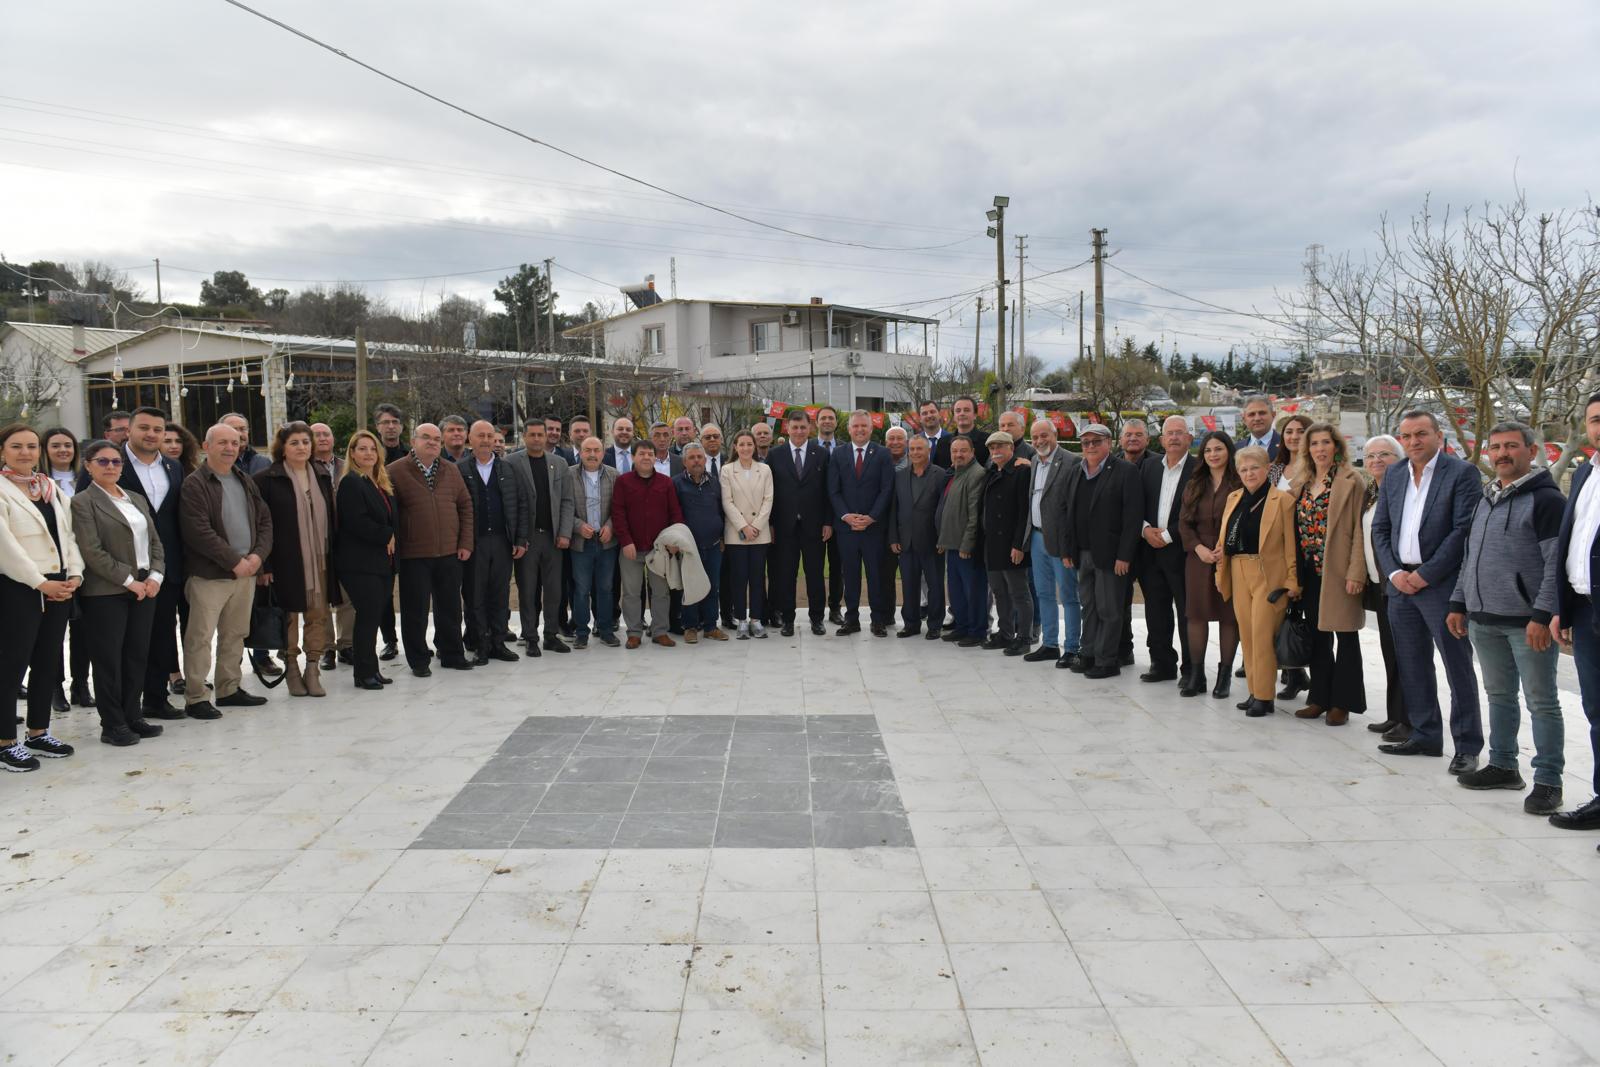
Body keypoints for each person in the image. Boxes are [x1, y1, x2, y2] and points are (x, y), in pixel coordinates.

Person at [1443, 422, 1564, 813]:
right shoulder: (1486, 497)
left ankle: (1548, 780)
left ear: (1532, 451)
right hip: (1483, 618)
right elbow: (1470, 557)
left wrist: (1542, 614)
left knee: (1541, 702)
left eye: (1511, 446)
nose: (1502, 454)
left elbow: (1553, 565)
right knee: (1499, 696)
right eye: (1495, 447)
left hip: (1527, 622)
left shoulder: (1547, 501)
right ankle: (1503, 764)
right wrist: (1459, 603)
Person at [1371, 410, 1483, 770]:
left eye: (1421, 434)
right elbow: (1381, 529)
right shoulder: (1395, 474)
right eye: (1406, 436)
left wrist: (1426, 575)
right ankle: (1425, 734)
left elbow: (1463, 530)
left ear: (1438, 435)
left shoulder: (1462, 473)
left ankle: (1467, 746)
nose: (1414, 442)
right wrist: (1393, 573)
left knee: (1457, 666)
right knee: (1412, 664)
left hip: (1441, 586)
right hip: (1400, 586)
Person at [71, 439, 166, 744]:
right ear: (88, 465)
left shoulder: (135, 498)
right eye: (102, 461)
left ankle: (133, 716)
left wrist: (154, 576)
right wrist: (129, 581)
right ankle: (112, 724)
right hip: (106, 592)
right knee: (108, 660)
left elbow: (155, 542)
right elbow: (92, 551)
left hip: (144, 587)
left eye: (116, 462)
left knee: (136, 655)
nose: (111, 466)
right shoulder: (82, 503)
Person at [0, 424, 83, 770]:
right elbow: (5, 547)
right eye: (16, 446)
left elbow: (69, 536)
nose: (25, 453)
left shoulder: (48, 489)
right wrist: (39, 582)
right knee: (11, 665)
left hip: (59, 586)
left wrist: (75, 573)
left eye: (32, 446)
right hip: (19, 588)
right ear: (3, 450)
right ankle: (5, 742)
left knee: (47, 661)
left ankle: (38, 732)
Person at [179, 422, 272, 718]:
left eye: (235, 443)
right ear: (206, 447)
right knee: (201, 637)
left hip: (246, 573)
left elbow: (264, 521)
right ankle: (196, 697)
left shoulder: (244, 479)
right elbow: (198, 531)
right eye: (223, 442)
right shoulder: (195, 484)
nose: (230, 448)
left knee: (235, 634)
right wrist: (235, 561)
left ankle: (229, 689)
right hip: (211, 575)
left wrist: (258, 557)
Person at [1289, 423, 1369, 725]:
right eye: (1314, 443)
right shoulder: (1302, 482)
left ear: (1336, 446)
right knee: (1319, 637)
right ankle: (1319, 697)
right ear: (1307, 449)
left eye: (1326, 442)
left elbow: (1361, 532)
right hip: (1309, 572)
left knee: (1346, 636)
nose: (1320, 448)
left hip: (1339, 571)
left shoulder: (1352, 481)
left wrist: (1356, 572)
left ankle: (1343, 703)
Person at [254, 422, 340, 698]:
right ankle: (291, 666)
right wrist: (264, 565)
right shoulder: (266, 479)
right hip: (285, 561)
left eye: (305, 442)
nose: (301, 447)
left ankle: (312, 668)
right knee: (288, 617)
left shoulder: (323, 476)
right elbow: (260, 526)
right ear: (283, 448)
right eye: (295, 443)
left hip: (321, 560)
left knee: (318, 616)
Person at [1549, 392, 1600, 839]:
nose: (1599, 427)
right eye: (1595, 420)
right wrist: (1560, 608)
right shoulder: (1585, 472)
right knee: (1596, 709)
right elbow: (1572, 545)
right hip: (1584, 610)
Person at [1215, 446, 1298, 717]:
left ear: (1266, 470)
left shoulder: (1282, 500)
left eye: (1254, 468)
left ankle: (1265, 696)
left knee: (1262, 635)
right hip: (1238, 570)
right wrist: (1220, 570)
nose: (1249, 473)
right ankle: (1254, 691)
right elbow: (1223, 537)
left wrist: (1292, 579)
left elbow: (1291, 546)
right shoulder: (1234, 497)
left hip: (1268, 574)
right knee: (1248, 635)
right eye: (1244, 469)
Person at [387, 423, 475, 677]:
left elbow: (465, 506)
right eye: (426, 438)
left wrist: (465, 543)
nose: (432, 442)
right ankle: (418, 660)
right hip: (414, 554)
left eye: (437, 439)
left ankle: (452, 654)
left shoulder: (451, 470)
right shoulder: (395, 471)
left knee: (449, 608)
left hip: (449, 552)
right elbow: (387, 513)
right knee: (415, 611)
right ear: (413, 441)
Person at [1058, 423, 1142, 678]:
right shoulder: (1076, 471)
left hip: (1111, 556)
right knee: (1089, 606)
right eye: (1086, 443)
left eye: (1096, 441)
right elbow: (1067, 513)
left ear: (1108, 443)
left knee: (1109, 609)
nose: (1091, 447)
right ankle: (1089, 654)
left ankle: (1107, 661)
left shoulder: (1125, 471)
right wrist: (1067, 549)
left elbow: (1133, 517)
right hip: (1082, 553)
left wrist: (1124, 556)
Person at [123, 407, 189, 719]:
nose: (151, 434)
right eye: (144, 428)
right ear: (129, 431)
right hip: (125, 568)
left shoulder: (174, 468)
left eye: (157, 429)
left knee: (163, 633)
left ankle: (155, 699)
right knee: (130, 641)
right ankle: (125, 706)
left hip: (167, 566)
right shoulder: (110, 463)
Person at [458, 420, 529, 665]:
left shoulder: (508, 469)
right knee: (474, 595)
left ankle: (498, 642)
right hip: (474, 543)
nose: (486, 440)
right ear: (470, 439)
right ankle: (480, 644)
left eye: (490, 435)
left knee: (500, 594)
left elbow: (521, 505)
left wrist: (520, 539)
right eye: (480, 435)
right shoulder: (460, 469)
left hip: (502, 541)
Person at [1179, 430, 1242, 698]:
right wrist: (1199, 548)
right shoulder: (1195, 483)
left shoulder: (1240, 481)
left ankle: (1224, 675)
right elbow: (1184, 522)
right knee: (1197, 614)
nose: (1213, 454)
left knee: (1229, 616)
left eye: (1218, 449)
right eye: (1207, 450)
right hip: (1199, 557)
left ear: (1229, 451)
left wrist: (1227, 547)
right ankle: (1196, 675)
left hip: (1233, 556)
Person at [505, 417, 573, 656]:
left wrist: (565, 533)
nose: (536, 439)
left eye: (539, 435)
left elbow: (567, 500)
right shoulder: (511, 462)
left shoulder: (560, 463)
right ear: (524, 436)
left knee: (554, 590)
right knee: (527, 589)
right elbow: (510, 502)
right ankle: (530, 636)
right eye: (531, 434)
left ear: (546, 437)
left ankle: (551, 635)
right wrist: (517, 538)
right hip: (527, 538)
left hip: (553, 538)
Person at [335, 430, 396, 690]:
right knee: (367, 616)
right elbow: (356, 522)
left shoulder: (378, 481)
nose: (368, 453)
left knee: (373, 615)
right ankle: (363, 673)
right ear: (352, 453)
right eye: (362, 449)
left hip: (380, 562)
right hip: (359, 564)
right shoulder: (351, 482)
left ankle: (371, 669)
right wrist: (387, 536)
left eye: (372, 448)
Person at [1137, 416, 1196, 683]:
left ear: (1189, 439)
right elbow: (1134, 504)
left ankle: (1190, 669)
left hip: (1182, 553)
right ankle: (1162, 664)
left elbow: (1198, 511)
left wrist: (1170, 535)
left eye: (1179, 433)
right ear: (1161, 440)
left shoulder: (1199, 469)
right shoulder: (1147, 466)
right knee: (1156, 611)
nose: (1173, 437)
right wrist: (1145, 529)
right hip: (1150, 551)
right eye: (1169, 433)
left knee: (1187, 613)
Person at [828, 410, 895, 636]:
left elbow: (887, 489)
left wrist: (872, 517)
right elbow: (833, 490)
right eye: (855, 426)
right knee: (850, 575)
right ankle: (852, 619)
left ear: (871, 428)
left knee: (876, 575)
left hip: (874, 528)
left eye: (863, 426)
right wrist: (846, 516)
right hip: (846, 528)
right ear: (848, 429)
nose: (859, 430)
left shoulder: (883, 454)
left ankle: (878, 620)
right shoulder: (838, 454)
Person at [767, 408, 831, 637]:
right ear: (787, 428)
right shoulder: (775, 455)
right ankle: (787, 620)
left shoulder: (821, 454)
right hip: (784, 527)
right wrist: (771, 524)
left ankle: (817, 619)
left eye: (803, 427)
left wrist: (827, 522)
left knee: (815, 574)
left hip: (814, 526)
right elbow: (770, 493)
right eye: (794, 427)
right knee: (786, 575)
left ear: (810, 428)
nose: (799, 431)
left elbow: (827, 492)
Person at [613, 439, 682, 647]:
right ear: (633, 457)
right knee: (632, 592)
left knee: (661, 592)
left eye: (649, 454)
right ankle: (634, 633)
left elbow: (675, 513)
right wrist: (626, 541)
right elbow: (618, 513)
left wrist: (674, 540)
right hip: (631, 548)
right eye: (641, 454)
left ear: (655, 457)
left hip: (659, 549)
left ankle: (660, 631)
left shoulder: (665, 482)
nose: (646, 457)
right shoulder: (623, 482)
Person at [41, 427, 90, 712]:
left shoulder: (85, 477)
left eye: (68, 445)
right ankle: (54, 686)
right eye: (56, 445)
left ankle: (81, 684)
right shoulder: (40, 483)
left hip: (86, 562)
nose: (63, 450)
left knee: (84, 628)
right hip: (56, 564)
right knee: (55, 632)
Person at [1266, 412, 1314, 697]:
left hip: (1306, 546)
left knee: (1302, 611)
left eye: (1300, 431)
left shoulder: (1314, 467)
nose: (1294, 436)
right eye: (1288, 432)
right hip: (1276, 548)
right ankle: (1292, 671)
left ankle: (1303, 669)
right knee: (1282, 611)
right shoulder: (1275, 469)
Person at [1027, 419, 1081, 666]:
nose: (1039, 441)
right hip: (1037, 538)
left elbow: (1073, 508)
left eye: (1044, 436)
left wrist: (1070, 544)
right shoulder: (1035, 461)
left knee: (1069, 596)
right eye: (1035, 437)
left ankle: (1072, 648)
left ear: (1055, 434)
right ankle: (1049, 644)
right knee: (1043, 593)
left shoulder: (1071, 461)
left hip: (1061, 541)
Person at [890, 434, 949, 638]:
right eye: (912, 449)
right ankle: (911, 624)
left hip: (932, 541)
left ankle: (934, 625)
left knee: (935, 585)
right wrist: (894, 538)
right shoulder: (899, 476)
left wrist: (943, 537)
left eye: (919, 449)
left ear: (928, 451)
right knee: (909, 585)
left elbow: (945, 509)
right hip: (906, 541)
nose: (915, 453)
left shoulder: (940, 475)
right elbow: (894, 509)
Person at [980, 432, 1031, 654]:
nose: (995, 451)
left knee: (1019, 593)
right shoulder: (991, 472)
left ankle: (1025, 638)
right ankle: (1005, 633)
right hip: (992, 545)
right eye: (992, 448)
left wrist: (1019, 545)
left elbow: (1024, 512)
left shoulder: (1022, 472)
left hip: (1012, 544)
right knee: (1000, 592)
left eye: (1000, 446)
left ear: (1011, 448)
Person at [569, 436, 622, 648]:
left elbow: (619, 508)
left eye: (596, 450)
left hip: (606, 541)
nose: (592, 454)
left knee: (606, 588)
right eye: (587, 450)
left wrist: (610, 526)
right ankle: (582, 631)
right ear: (580, 452)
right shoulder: (569, 474)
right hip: (581, 542)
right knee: (581, 589)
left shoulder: (614, 475)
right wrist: (578, 526)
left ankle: (606, 629)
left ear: (603, 453)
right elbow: (564, 508)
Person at [310, 422, 354, 671]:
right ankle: (326, 648)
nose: (322, 438)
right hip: (318, 543)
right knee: (322, 599)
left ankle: (347, 645)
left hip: (347, 542)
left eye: (326, 433)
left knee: (348, 597)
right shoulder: (305, 468)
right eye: (316, 435)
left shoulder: (345, 465)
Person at [721, 430, 773, 639]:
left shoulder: (765, 469)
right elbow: (727, 501)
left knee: (758, 578)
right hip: (736, 533)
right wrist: (743, 526)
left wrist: (756, 526)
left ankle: (756, 620)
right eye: (741, 444)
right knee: (739, 578)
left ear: (754, 446)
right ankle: (741, 619)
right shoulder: (726, 470)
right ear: (735, 447)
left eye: (749, 444)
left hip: (760, 533)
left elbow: (768, 500)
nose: (745, 448)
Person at [936, 435, 987, 647]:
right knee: (956, 592)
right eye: (954, 451)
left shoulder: (977, 474)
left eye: (963, 450)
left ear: (972, 452)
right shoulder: (956, 473)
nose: (958, 454)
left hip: (966, 548)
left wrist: (967, 544)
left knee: (973, 591)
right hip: (951, 544)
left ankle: (977, 631)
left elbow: (974, 514)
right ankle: (963, 627)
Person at [673, 442, 725, 643]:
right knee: (691, 586)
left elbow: (720, 511)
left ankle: (711, 626)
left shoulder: (714, 482)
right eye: (692, 458)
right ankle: (691, 627)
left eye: (699, 457)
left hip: (713, 544)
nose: (696, 461)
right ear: (684, 461)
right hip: (688, 547)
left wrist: (721, 537)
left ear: (705, 460)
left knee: (713, 586)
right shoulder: (676, 483)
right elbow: (674, 514)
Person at [814, 407, 844, 624]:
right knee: (814, 567)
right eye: (823, 418)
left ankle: (835, 608)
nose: (827, 421)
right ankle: (815, 610)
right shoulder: (808, 448)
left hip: (841, 518)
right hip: (813, 518)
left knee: (837, 566)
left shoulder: (845, 448)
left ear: (836, 423)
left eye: (830, 418)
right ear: (816, 422)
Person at [944, 396, 990, 467]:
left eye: (966, 410)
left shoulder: (987, 441)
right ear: (953, 416)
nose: (962, 413)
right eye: (958, 411)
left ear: (975, 415)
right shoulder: (943, 443)